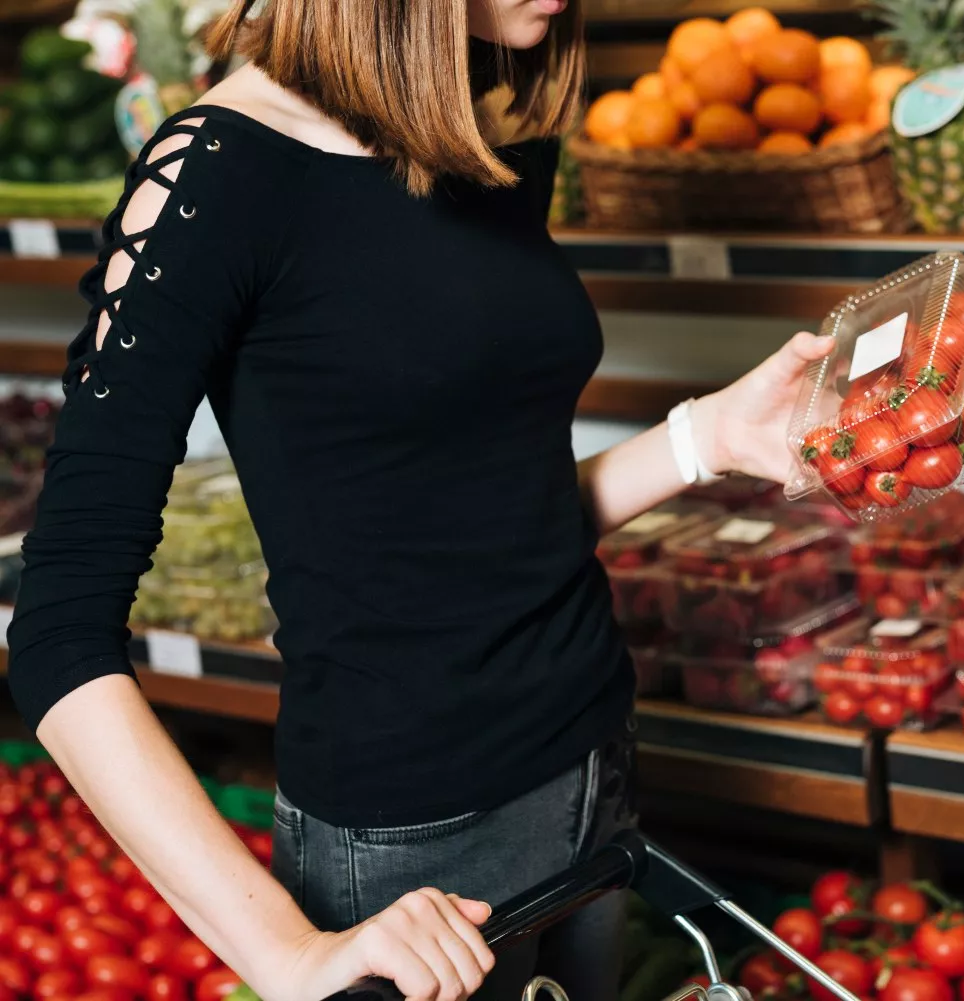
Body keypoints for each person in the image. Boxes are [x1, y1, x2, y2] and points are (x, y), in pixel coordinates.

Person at [4, 1, 832, 1000]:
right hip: (411, 850)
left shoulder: (476, 134)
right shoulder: (215, 174)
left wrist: (706, 440)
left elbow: (480, 523)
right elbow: (57, 631)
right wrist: (288, 953)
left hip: (592, 762)